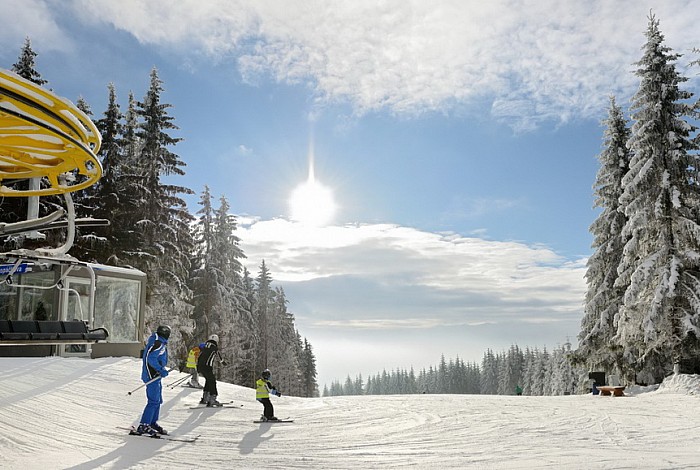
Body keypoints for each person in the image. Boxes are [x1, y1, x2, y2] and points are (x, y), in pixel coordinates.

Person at [134, 325, 171, 436]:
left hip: (156, 374)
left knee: (158, 400)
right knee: (153, 401)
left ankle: (152, 422)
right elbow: (150, 358)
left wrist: (161, 369)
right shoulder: (158, 343)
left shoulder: (159, 342)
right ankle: (144, 425)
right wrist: (160, 369)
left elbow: (157, 358)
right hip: (152, 375)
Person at [197, 334, 227, 406]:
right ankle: (212, 399)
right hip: (207, 366)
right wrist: (223, 362)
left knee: (208, 380)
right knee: (212, 381)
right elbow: (219, 357)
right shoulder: (214, 348)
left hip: (200, 366)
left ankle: (205, 398)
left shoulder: (204, 346)